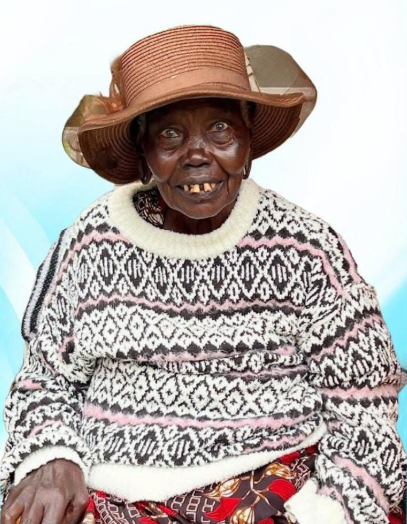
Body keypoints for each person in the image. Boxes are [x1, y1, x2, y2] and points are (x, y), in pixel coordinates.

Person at [0, 24, 406, 524]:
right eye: (170, 134)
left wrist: (328, 511)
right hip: (109, 492)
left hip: (274, 485)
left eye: (220, 130)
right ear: (144, 152)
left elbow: (365, 403)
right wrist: (51, 456)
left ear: (248, 143)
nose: (197, 155)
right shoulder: (91, 240)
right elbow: (45, 376)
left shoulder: (306, 247)